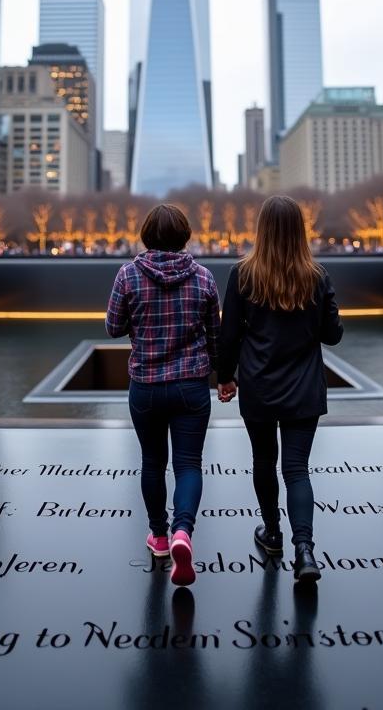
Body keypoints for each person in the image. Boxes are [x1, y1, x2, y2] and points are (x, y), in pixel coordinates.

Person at [218, 195, 344, 583]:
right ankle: (304, 550)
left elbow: (229, 336)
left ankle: (272, 533)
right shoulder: (317, 276)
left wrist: (225, 377)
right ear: (300, 231)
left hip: (259, 386)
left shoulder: (243, 275)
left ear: (262, 230)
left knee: (263, 461)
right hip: (304, 388)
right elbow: (333, 336)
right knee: (297, 469)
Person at [105, 203, 220, 587]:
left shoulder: (127, 275)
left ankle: (158, 536)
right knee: (189, 464)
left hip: (147, 386)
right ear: (185, 235)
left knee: (152, 463)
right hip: (191, 386)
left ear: (147, 235)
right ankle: (183, 532)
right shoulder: (204, 277)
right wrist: (225, 377)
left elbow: (113, 328)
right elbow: (216, 337)